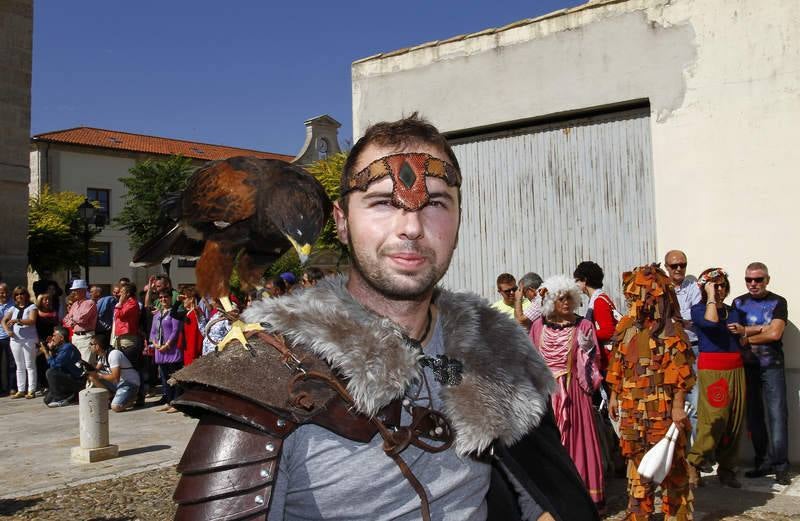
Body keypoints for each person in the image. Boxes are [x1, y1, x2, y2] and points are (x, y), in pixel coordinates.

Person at [171, 114, 599, 520]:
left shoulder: (496, 350)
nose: (410, 227)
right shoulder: (263, 376)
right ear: (341, 223)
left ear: (458, 220)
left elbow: (544, 500)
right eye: (380, 203)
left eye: (434, 203)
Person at [607, 264, 695, 521]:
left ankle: (677, 514)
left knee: (671, 463)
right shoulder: (626, 326)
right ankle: (638, 512)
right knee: (637, 462)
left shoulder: (670, 331)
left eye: (639, 295)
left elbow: (682, 374)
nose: (634, 301)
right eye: (631, 296)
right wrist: (614, 395)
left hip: (664, 410)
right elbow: (618, 364)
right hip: (633, 409)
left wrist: (678, 406)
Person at [529, 275, 605, 508]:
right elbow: (530, 360)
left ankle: (581, 497)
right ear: (551, 301)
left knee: (577, 442)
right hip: (546, 394)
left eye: (569, 298)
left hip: (574, 394)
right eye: (560, 298)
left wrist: (587, 351)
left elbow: (595, 363)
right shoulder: (538, 326)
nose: (566, 302)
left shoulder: (584, 326)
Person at [732, 262, 790, 486]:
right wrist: (761, 329)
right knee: (754, 418)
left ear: (767, 280)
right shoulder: (738, 303)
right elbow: (734, 334)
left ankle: (780, 466)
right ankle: (762, 462)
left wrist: (746, 334)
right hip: (747, 367)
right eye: (749, 280)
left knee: (777, 416)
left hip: (772, 366)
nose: (753, 284)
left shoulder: (778, 302)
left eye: (758, 279)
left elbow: (775, 334)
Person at [686, 268, 745, 488]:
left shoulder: (734, 312)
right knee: (714, 420)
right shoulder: (699, 310)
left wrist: (744, 332)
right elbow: (711, 323)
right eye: (714, 286)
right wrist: (710, 297)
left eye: (721, 285)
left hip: (736, 368)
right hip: (713, 369)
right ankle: (695, 462)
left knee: (734, 421)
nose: (719, 289)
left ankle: (727, 468)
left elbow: (742, 341)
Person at [665, 249, 702, 435]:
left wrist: (675, 317)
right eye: (674, 266)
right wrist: (680, 319)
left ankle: (695, 457)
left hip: (691, 349)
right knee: (668, 404)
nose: (679, 268)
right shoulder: (661, 288)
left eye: (682, 265)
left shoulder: (693, 287)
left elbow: (696, 315)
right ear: (666, 267)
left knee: (694, 403)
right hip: (668, 351)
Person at [573, 261, 618, 373]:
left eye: (577, 280)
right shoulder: (599, 298)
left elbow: (608, 331)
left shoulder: (598, 301)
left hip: (608, 360)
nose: (576, 284)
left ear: (585, 280)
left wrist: (584, 334)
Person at [85, 334, 140, 412]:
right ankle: (110, 396)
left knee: (115, 407)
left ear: (97, 346)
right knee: (91, 376)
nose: (89, 346)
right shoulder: (102, 355)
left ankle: (134, 398)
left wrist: (99, 376)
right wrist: (87, 369)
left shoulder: (113, 354)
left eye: (91, 344)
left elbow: (115, 377)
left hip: (129, 383)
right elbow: (96, 370)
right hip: (119, 383)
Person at [2, 287, 40, 399]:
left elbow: (32, 321)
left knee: (30, 365)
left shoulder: (32, 307)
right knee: (19, 365)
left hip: (29, 339)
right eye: (17, 294)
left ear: (26, 295)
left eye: (22, 294)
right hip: (15, 340)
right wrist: (7, 330)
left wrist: (17, 321)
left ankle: (31, 389)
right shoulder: (13, 308)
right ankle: (21, 389)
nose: (19, 296)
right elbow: (4, 320)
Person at [149, 289, 183, 412]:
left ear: (170, 298)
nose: (163, 299)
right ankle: (168, 401)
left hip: (171, 350)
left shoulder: (174, 313)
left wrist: (167, 345)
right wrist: (155, 344)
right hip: (160, 351)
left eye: (166, 297)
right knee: (164, 378)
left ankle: (176, 402)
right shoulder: (157, 315)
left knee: (175, 377)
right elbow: (152, 331)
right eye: (161, 297)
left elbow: (175, 331)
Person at [41, 326, 83, 407]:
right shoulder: (60, 348)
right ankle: (69, 396)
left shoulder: (67, 348)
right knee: (47, 400)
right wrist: (50, 349)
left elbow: (53, 365)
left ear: (61, 338)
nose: (52, 338)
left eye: (54, 336)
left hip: (76, 380)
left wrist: (45, 352)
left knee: (50, 372)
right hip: (67, 377)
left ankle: (60, 398)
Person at [62, 279, 97, 365]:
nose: (73, 292)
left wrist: (73, 319)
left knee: (86, 364)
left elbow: (82, 319)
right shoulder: (74, 304)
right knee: (76, 364)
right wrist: (73, 320)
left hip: (86, 337)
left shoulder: (90, 303)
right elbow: (66, 320)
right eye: (73, 290)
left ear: (83, 290)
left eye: (76, 290)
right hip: (76, 337)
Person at [0, 283, 17, 395]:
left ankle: (12, 387)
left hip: (10, 336)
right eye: (1, 292)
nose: (4, 294)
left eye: (6, 292)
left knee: (12, 363)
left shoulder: (13, 304)